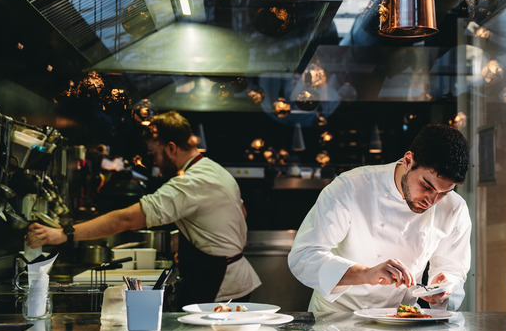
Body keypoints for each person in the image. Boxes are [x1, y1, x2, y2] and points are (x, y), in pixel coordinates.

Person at [26, 111, 260, 307]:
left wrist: (64, 233)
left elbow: (126, 220)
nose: (154, 161)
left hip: (219, 284)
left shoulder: (188, 183)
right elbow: (241, 214)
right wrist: (198, 242)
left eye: (154, 153)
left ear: (171, 147)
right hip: (233, 278)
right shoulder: (214, 169)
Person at [288, 123, 471, 313]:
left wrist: (443, 288)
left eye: (444, 192)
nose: (432, 201)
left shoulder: (454, 208)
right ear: (408, 161)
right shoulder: (350, 187)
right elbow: (304, 255)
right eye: (426, 186)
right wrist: (365, 273)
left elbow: (453, 268)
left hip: (401, 320)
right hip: (336, 318)